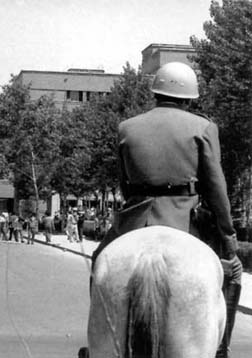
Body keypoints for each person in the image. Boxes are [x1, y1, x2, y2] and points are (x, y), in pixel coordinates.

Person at [91, 62, 241, 358]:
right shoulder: (203, 127)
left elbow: (125, 185)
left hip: (136, 220)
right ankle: (221, 347)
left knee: (100, 264)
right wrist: (229, 239)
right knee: (232, 274)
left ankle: (98, 344)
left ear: (156, 93)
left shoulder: (127, 128)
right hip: (185, 219)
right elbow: (215, 187)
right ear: (190, 98)